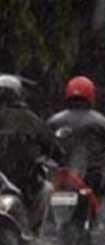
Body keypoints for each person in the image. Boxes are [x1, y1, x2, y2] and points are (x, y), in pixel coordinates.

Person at [47, 76, 105, 204]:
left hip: (60, 175)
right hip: (91, 175)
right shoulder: (99, 121)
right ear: (91, 96)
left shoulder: (54, 121)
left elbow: (44, 143)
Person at [0, 74, 59, 234]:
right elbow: (54, 148)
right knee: (47, 189)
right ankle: (33, 232)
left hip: (9, 183)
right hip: (25, 184)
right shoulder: (32, 120)